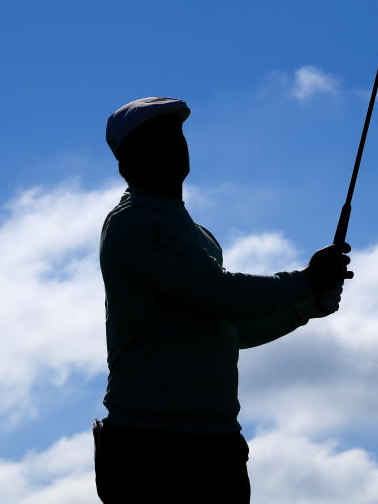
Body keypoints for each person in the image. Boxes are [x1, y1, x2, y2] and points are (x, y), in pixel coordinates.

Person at [94, 96, 351, 503]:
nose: (176, 145)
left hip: (214, 444)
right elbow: (222, 295)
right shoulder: (135, 224)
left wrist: (304, 308)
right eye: (158, 139)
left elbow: (229, 329)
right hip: (150, 447)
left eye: (178, 135)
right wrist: (305, 281)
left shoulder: (198, 235)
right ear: (126, 163)